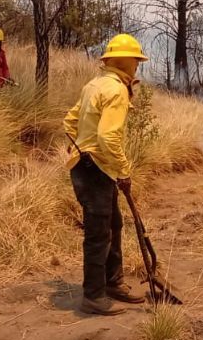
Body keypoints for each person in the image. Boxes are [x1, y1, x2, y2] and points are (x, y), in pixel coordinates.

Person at [63, 33, 149, 316]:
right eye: (136, 61)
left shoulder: (95, 84)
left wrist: (75, 145)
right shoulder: (116, 91)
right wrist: (124, 171)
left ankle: (112, 283)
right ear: (126, 62)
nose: (137, 66)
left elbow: (71, 119)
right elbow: (108, 137)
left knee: (114, 224)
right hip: (96, 169)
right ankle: (93, 296)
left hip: (88, 165)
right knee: (99, 233)